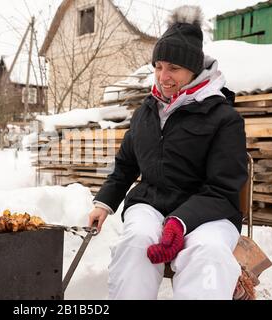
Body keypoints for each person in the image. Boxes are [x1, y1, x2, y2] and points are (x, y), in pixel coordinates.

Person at [88, 5, 248, 300]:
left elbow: (223, 187)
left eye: (173, 68)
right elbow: (126, 166)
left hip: (209, 215)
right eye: (159, 66)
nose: (163, 76)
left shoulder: (223, 118)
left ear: (195, 69)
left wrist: (180, 221)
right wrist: (105, 203)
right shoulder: (145, 112)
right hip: (152, 204)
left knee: (207, 253)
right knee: (136, 241)